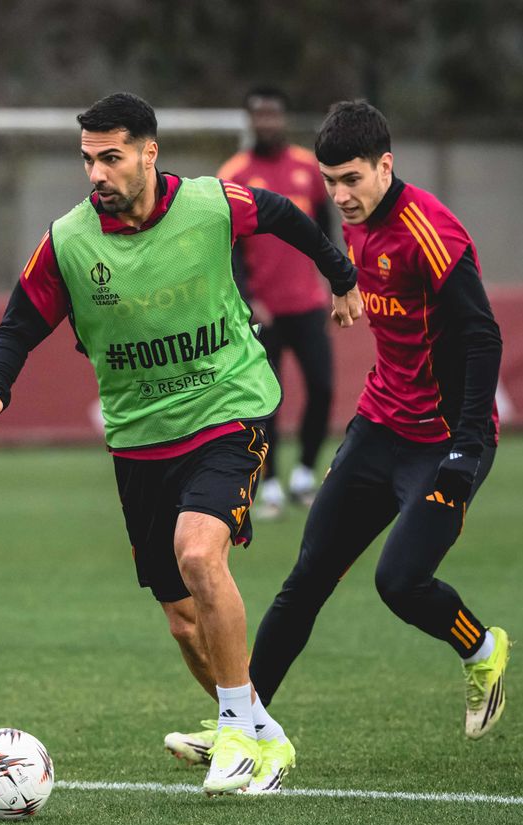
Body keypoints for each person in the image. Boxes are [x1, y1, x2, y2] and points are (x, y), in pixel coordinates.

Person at [0, 93, 358, 795]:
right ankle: (263, 735)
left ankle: (235, 733)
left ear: (149, 153)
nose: (97, 174)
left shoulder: (209, 204)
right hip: (140, 438)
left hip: (228, 408)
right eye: (88, 160)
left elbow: (285, 215)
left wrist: (343, 275)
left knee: (198, 553)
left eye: (111, 157)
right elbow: (18, 324)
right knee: (181, 621)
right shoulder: (69, 241)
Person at [165, 100, 511, 785]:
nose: (341, 195)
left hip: (443, 443)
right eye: (330, 182)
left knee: (399, 582)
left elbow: (482, 337)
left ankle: (481, 650)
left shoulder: (429, 232)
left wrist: (468, 445)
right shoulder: (354, 224)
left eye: (352, 179)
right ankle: (241, 727)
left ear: (387, 165)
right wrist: (345, 287)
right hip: (379, 428)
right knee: (305, 580)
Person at [218, 86, 335, 518]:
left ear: (283, 117)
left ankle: (303, 474)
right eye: (259, 115)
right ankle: (267, 484)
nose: (267, 122)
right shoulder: (234, 173)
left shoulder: (309, 168)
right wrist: (248, 299)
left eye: (273, 114)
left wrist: (331, 281)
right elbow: (226, 245)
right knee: (266, 400)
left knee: (322, 387)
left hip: (307, 303)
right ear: (249, 121)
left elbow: (324, 231)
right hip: (263, 311)